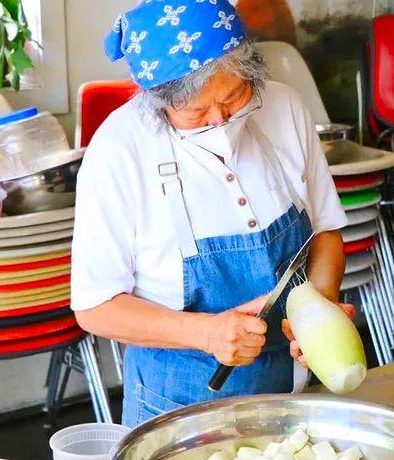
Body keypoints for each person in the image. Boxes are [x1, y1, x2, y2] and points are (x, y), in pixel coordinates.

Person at [70, 0, 352, 427]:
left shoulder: (286, 107)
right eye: (195, 113)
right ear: (157, 102)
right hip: (177, 407)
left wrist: (320, 307)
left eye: (234, 97)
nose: (219, 121)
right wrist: (206, 333)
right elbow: (95, 308)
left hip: (292, 389)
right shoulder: (118, 150)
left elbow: (326, 232)